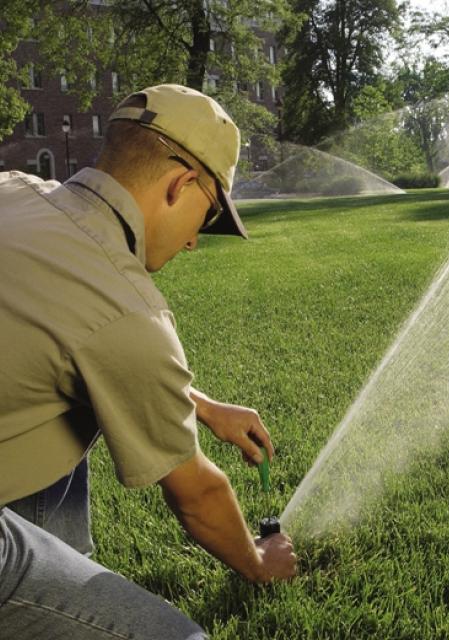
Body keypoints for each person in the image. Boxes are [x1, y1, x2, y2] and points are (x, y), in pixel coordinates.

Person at [0, 84, 297, 639]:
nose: (193, 245)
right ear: (181, 185)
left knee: (67, 406)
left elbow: (57, 342)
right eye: (206, 217)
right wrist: (260, 561)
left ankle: (59, 565)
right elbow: (199, 497)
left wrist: (202, 406)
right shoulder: (124, 305)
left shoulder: (14, 190)